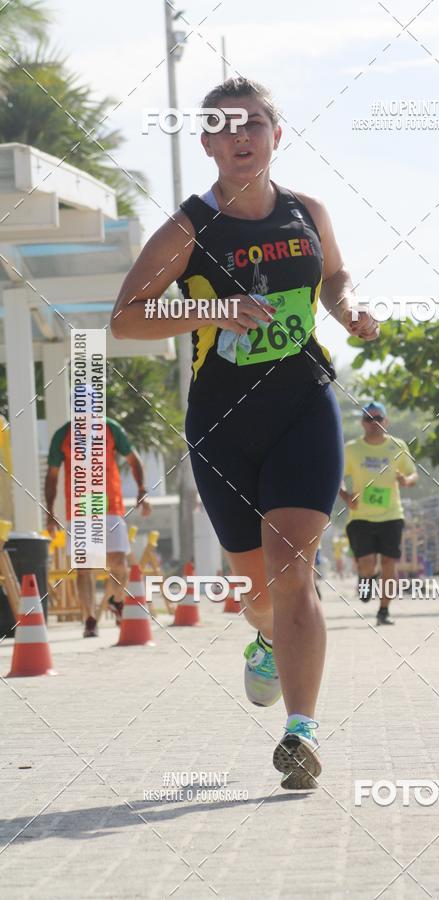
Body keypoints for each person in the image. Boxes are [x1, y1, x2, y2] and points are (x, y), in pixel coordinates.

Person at [110, 76, 379, 789]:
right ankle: (262, 635)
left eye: (254, 123)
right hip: (223, 424)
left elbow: (335, 276)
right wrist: (214, 311)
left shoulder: (306, 212)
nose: (241, 136)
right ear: (206, 144)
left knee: (295, 571)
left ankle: (302, 730)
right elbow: (127, 317)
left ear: (276, 135)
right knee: (260, 592)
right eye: (225, 126)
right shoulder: (189, 230)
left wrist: (349, 308)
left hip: (302, 403)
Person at [45, 415, 151, 636]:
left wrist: (141, 489)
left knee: (119, 564)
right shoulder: (63, 435)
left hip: (110, 507)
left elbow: (133, 459)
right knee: (84, 569)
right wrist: (50, 511)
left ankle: (116, 600)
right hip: (79, 510)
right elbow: (52, 476)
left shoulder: (111, 428)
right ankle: (89, 620)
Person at [339, 401, 417, 625]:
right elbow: (337, 477)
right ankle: (366, 579)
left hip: (392, 515)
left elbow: (413, 474)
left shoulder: (398, 446)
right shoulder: (352, 449)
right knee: (366, 563)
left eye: (378, 418)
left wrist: (406, 481)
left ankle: (384, 611)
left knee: (389, 564)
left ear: (386, 422)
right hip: (360, 517)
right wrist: (345, 496)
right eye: (368, 419)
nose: (373, 423)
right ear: (362, 423)